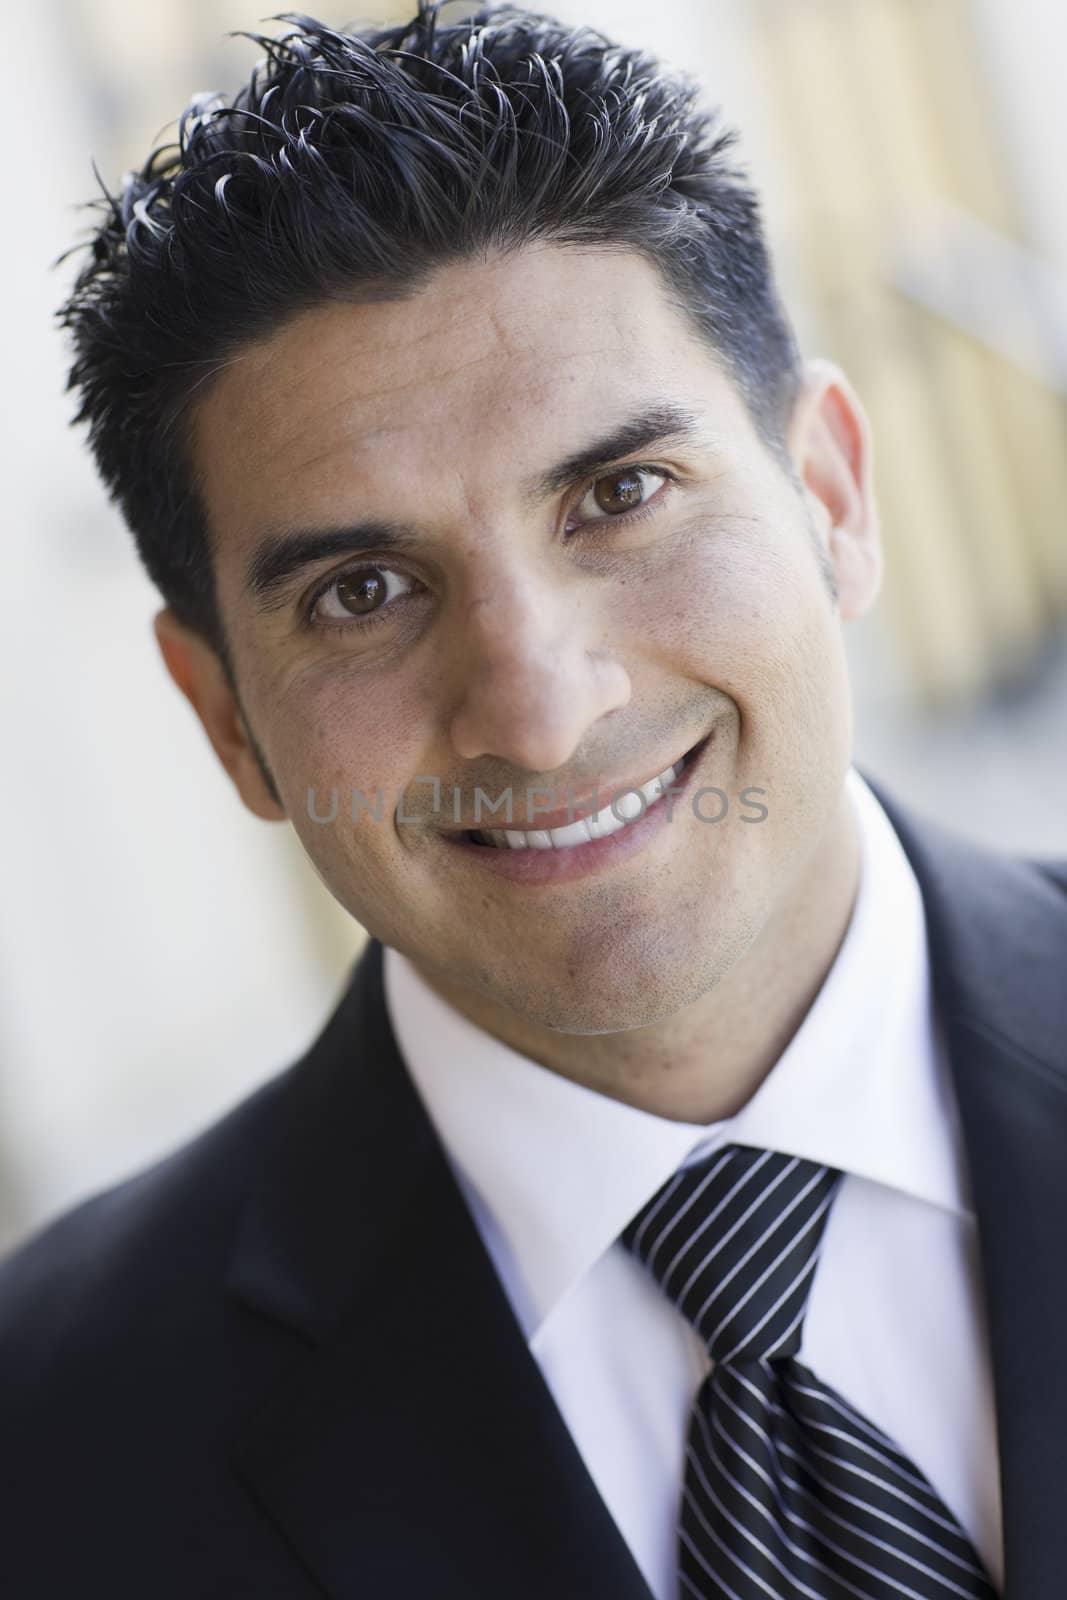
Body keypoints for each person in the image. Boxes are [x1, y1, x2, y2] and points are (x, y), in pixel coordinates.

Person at [1, 4, 1064, 1595]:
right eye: (364, 591)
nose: (540, 708)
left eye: (620, 496)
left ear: (831, 498)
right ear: (225, 715)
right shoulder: (49, 1443)